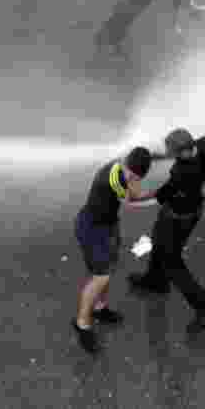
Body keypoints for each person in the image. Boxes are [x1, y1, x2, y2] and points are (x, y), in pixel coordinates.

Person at [128, 129, 205, 334]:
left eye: (173, 153)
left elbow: (159, 196)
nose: (171, 155)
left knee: (173, 262)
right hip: (191, 208)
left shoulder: (182, 172)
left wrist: (133, 200)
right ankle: (155, 280)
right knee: (159, 238)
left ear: (184, 152)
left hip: (179, 216)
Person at [72, 148, 154, 354]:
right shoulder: (115, 178)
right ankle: (82, 324)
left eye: (136, 177)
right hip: (92, 229)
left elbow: (135, 188)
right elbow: (131, 202)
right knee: (100, 277)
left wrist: (138, 181)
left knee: (106, 272)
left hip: (108, 226)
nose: (132, 179)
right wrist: (160, 197)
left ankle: (99, 308)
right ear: (127, 165)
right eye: (131, 174)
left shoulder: (128, 166)